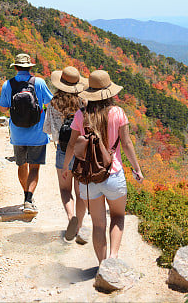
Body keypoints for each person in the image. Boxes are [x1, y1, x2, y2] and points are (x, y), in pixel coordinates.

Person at [62, 70, 144, 264]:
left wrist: (66, 168)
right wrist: (137, 169)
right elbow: (126, 144)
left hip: (89, 178)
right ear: (109, 92)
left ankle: (101, 265)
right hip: (113, 175)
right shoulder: (118, 113)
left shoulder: (81, 116)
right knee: (117, 217)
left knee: (98, 225)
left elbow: (72, 145)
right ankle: (112, 259)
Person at [0, 52, 53, 214]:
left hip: (17, 133)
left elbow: (3, 108)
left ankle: (26, 195)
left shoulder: (8, 84)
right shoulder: (40, 82)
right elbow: (50, 103)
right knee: (34, 167)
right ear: (30, 67)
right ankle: (28, 200)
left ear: (15, 67)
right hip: (37, 133)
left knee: (21, 165)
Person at [42, 65, 88, 242]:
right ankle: (80, 226)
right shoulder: (83, 103)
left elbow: (47, 130)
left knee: (65, 189)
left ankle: (70, 218)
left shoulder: (53, 103)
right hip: (81, 152)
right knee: (80, 191)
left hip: (62, 150)